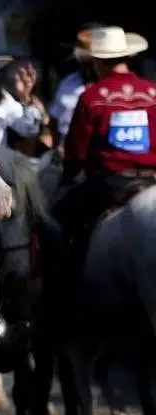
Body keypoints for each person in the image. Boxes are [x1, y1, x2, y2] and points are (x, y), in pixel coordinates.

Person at [53, 26, 156, 278]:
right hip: (153, 178)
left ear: (97, 61)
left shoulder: (92, 97)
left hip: (111, 184)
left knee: (57, 221)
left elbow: (76, 152)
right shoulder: (153, 92)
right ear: (128, 58)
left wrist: (66, 179)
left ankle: (66, 289)